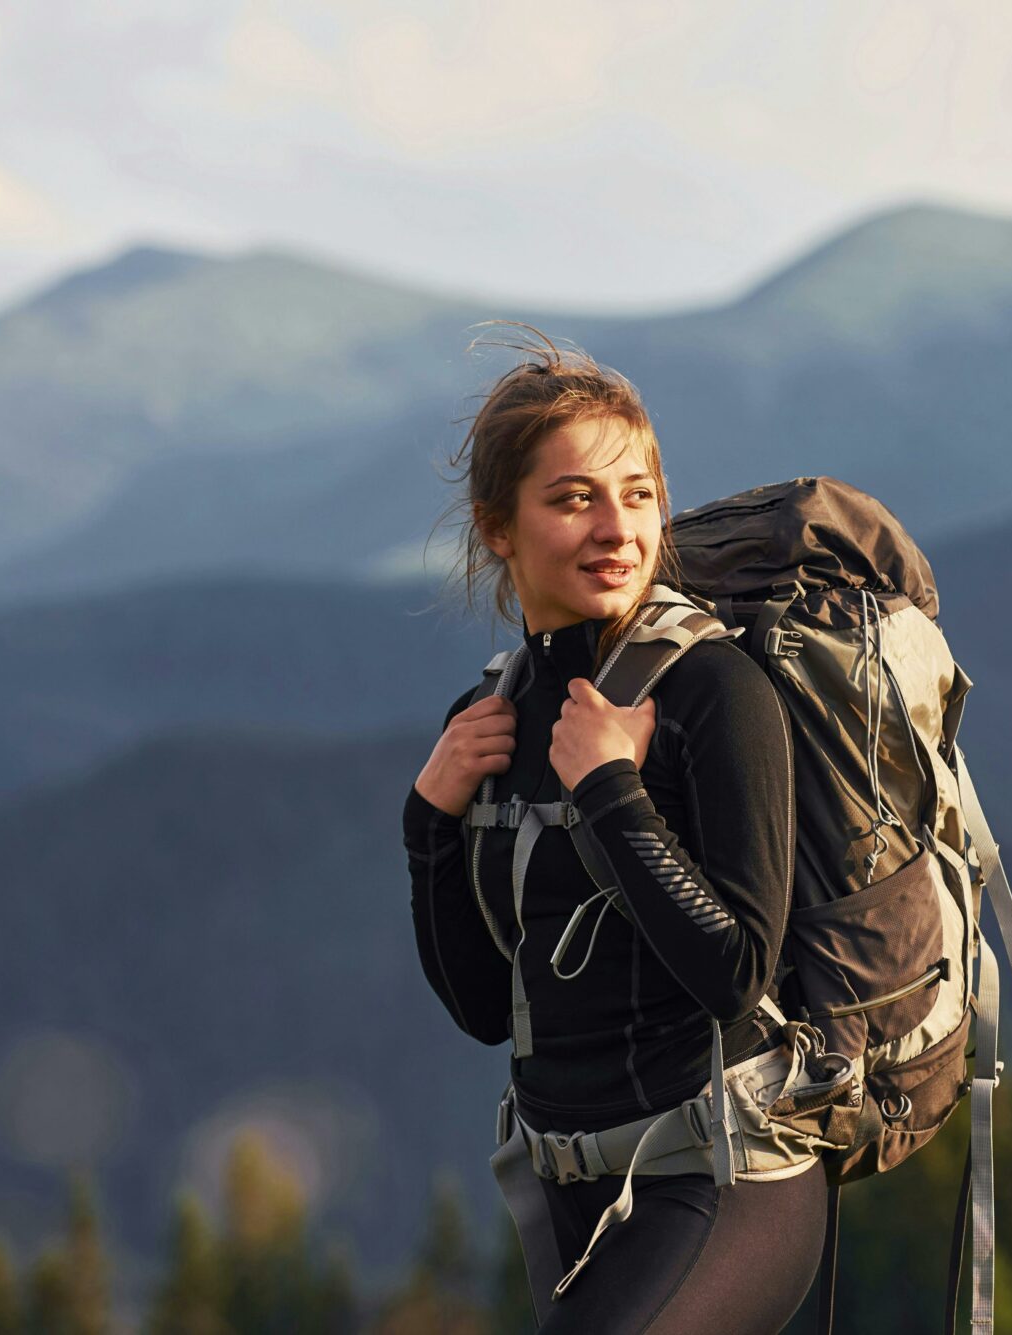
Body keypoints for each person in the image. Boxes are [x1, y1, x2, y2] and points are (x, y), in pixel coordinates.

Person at [403, 324, 828, 1333]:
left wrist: (609, 794)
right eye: (572, 499)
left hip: (726, 1179)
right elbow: (479, 1004)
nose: (616, 529)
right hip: (575, 1195)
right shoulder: (491, 717)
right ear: (495, 525)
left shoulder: (711, 690)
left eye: (637, 494)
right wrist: (428, 823)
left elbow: (735, 970)